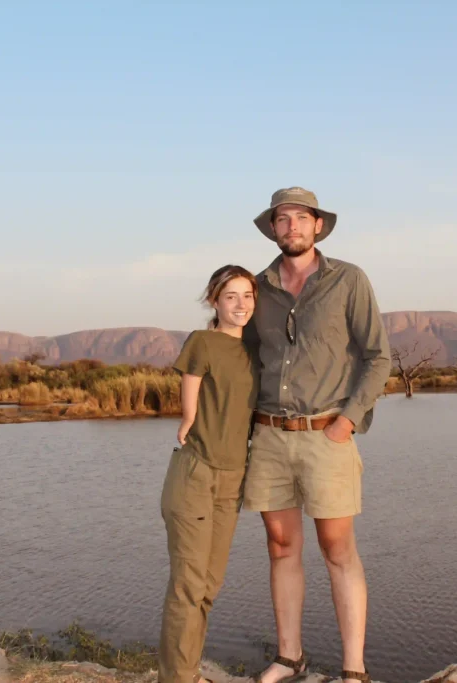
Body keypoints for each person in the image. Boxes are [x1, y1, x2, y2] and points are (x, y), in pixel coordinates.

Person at [243, 188, 391, 683]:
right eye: (282, 219)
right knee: (281, 546)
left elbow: (378, 357)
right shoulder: (256, 287)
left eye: (300, 218)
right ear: (273, 228)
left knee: (336, 548)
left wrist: (347, 421)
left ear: (318, 226)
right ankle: (290, 657)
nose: (291, 227)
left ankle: (354, 669)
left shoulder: (348, 280)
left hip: (326, 433)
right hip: (268, 434)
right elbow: (243, 357)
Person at [158, 265, 259, 683]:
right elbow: (192, 389)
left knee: (208, 587)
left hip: (234, 479)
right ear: (213, 301)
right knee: (187, 585)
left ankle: (190, 671)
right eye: (230, 296)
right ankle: (176, 678)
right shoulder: (203, 341)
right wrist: (188, 418)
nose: (240, 305)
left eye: (248, 296)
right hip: (197, 473)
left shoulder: (256, 351)